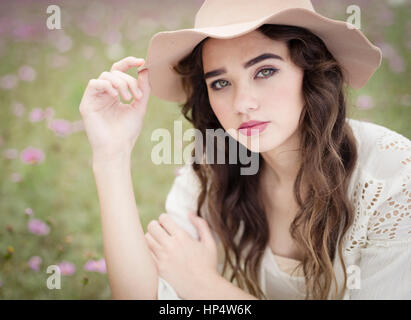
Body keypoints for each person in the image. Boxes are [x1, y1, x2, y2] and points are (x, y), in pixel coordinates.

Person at [79, 0, 411, 300]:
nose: (242, 104)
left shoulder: (393, 176)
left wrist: (206, 287)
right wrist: (112, 156)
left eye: (265, 71)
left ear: (309, 72)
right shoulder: (215, 169)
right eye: (220, 83)